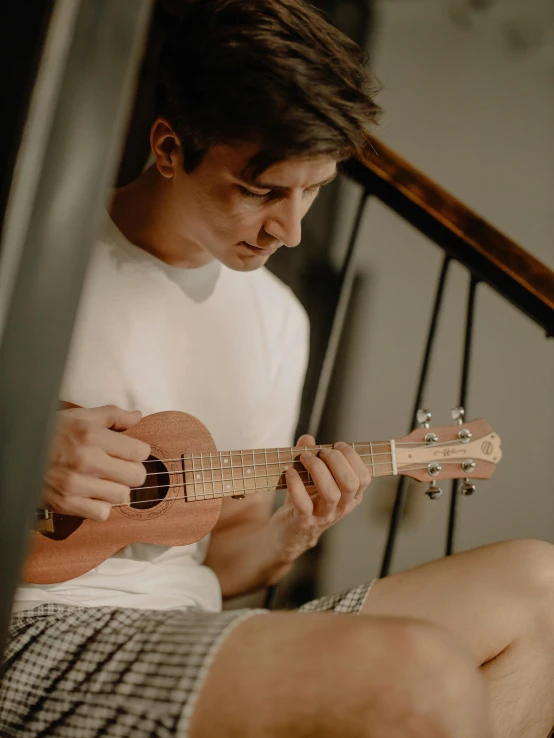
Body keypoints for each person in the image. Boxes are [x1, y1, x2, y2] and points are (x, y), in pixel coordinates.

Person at [2, 1, 553, 736]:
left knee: (539, 587)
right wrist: (20, 451)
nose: (289, 230)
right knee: (421, 675)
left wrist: (293, 534)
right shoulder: (28, 256)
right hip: (39, 631)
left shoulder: (278, 321)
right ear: (169, 149)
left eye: (315, 191)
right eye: (262, 192)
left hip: (188, 625)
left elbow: (227, 560)